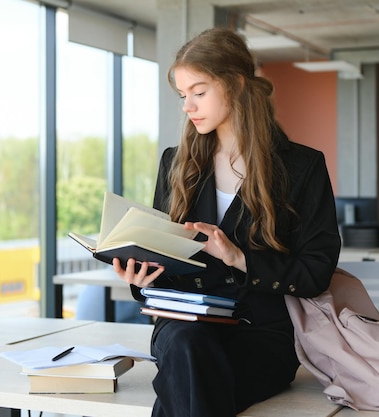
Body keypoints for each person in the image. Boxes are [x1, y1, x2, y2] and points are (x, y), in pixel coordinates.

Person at [113, 27, 341, 417]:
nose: (188, 106)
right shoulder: (176, 163)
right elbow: (168, 262)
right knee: (188, 348)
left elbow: (316, 272)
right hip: (183, 326)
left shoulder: (302, 167)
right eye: (183, 96)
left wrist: (239, 258)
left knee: (188, 378)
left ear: (235, 85)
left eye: (198, 93)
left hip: (259, 338)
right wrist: (144, 278)